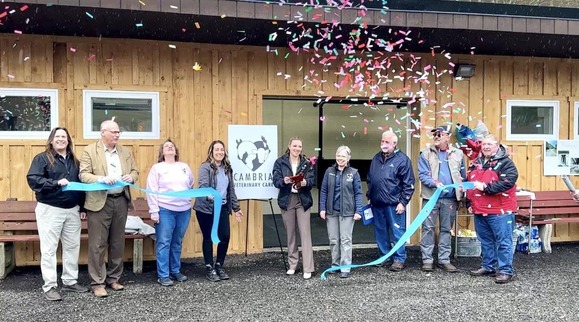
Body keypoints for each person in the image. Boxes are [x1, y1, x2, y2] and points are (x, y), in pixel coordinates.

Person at [26, 127, 89, 301]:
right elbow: (33, 179)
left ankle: (69, 281)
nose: (61, 139)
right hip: (50, 209)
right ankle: (50, 286)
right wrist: (55, 183)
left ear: (68, 140)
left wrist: (82, 207)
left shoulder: (75, 161)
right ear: (52, 140)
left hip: (72, 210)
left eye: (64, 137)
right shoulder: (42, 158)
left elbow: (80, 185)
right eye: (57, 136)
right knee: (49, 249)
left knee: (72, 246)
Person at [79, 120, 139, 297]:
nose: (117, 135)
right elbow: (83, 175)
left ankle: (113, 279)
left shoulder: (125, 151)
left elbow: (135, 171)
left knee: (117, 242)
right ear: (102, 133)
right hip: (99, 202)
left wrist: (131, 177)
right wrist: (100, 179)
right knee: (97, 244)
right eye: (113, 132)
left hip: (120, 200)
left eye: (118, 132)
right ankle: (97, 282)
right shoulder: (90, 150)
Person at [466, 134, 518, 284]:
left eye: (489, 144)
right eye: (484, 144)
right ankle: (488, 266)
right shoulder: (476, 163)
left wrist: (486, 188)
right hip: (480, 209)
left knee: (503, 241)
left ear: (497, 146)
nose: (486, 147)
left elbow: (508, 182)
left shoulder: (506, 163)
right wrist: (469, 203)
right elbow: (469, 182)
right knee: (486, 240)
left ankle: (505, 271)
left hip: (500, 210)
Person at [146, 139, 194, 287]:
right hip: (165, 210)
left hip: (183, 210)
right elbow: (151, 190)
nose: (170, 147)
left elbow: (191, 184)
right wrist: (154, 210)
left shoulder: (184, 167)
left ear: (176, 151)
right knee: (164, 242)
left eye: (172, 146)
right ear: (162, 152)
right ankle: (163, 274)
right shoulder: (157, 168)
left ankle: (175, 270)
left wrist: (188, 199)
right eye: (166, 146)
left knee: (177, 242)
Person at [418, 125, 466, 273]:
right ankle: (427, 260)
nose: (437, 136)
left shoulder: (458, 154)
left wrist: (462, 196)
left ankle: (444, 260)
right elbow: (423, 175)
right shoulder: (426, 154)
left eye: (440, 134)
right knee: (428, 228)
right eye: (435, 134)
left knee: (446, 229)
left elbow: (462, 176)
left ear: (448, 136)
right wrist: (435, 183)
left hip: (450, 199)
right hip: (431, 198)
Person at [193, 140, 242, 282]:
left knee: (225, 236)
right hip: (206, 209)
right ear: (211, 152)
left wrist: (236, 208)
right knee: (208, 237)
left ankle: (219, 265)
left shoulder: (227, 168)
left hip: (222, 207)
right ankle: (209, 268)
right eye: (217, 150)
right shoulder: (205, 167)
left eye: (222, 149)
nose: (220, 152)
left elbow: (231, 190)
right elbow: (203, 186)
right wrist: (210, 196)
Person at [367, 131, 415, 272]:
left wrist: (403, 202)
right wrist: (369, 195)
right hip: (377, 203)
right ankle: (384, 256)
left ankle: (399, 259)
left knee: (397, 232)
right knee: (380, 231)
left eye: (387, 142)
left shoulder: (403, 160)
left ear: (394, 143)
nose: (383, 144)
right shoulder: (376, 158)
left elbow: (409, 184)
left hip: (394, 204)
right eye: (382, 141)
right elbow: (371, 178)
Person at [272, 137, 315, 279]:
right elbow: (276, 180)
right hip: (287, 199)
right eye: (295, 146)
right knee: (290, 234)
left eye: (299, 146)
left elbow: (312, 180)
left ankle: (308, 267)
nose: (297, 148)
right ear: (289, 146)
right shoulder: (280, 162)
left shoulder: (307, 163)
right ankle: (293, 265)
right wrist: (283, 181)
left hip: (302, 200)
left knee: (305, 233)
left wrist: (305, 182)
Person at [319, 146, 363, 278]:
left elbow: (358, 193)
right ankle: (335, 264)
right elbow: (324, 190)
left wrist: (358, 210)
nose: (340, 158)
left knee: (345, 240)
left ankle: (345, 266)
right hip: (332, 212)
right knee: (333, 239)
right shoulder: (329, 171)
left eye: (343, 156)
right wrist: (322, 208)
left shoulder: (354, 173)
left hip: (348, 212)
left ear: (348, 158)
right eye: (338, 155)